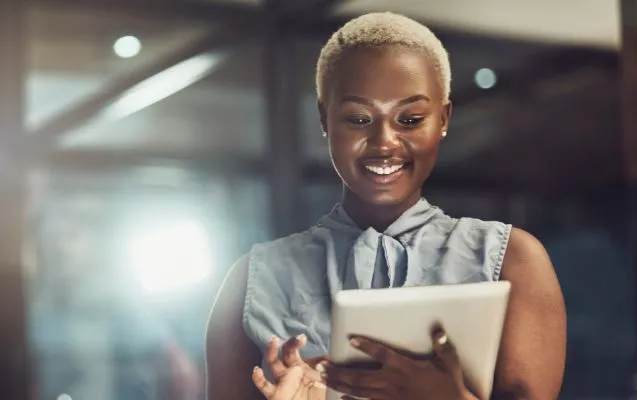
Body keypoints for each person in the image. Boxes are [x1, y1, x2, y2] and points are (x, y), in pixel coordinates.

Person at [206, 11, 566, 400]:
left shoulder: (513, 260)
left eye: (410, 119)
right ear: (325, 118)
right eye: (359, 119)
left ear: (443, 118)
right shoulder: (252, 280)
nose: (384, 143)